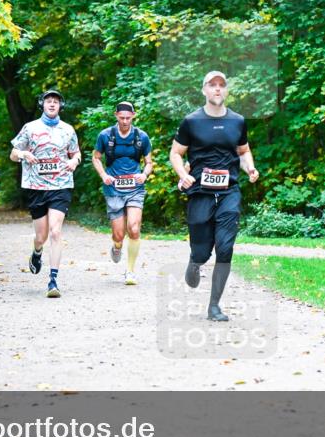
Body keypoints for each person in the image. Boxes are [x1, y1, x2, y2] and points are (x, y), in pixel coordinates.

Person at [169, 71, 259, 321]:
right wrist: (182, 174)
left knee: (226, 248)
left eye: (222, 85)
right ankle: (195, 261)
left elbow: (243, 151)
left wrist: (249, 166)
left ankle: (214, 306)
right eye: (212, 85)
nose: (217, 89)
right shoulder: (192, 121)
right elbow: (176, 153)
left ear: (226, 91)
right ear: (204, 90)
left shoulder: (238, 121)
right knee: (202, 249)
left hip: (229, 190)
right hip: (200, 191)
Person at [10, 89, 81, 298]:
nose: (52, 104)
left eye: (56, 102)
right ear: (43, 104)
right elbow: (13, 153)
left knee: (56, 232)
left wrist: (73, 161)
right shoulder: (30, 128)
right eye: (48, 101)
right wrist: (23, 153)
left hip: (61, 185)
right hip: (36, 187)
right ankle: (37, 251)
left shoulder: (68, 130)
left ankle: (53, 281)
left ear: (60, 106)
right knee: (41, 236)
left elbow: (76, 152)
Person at [91, 101, 154, 285]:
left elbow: (149, 162)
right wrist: (103, 175)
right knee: (118, 235)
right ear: (116, 115)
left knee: (134, 229)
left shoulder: (141, 137)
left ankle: (130, 271)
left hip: (135, 188)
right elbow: (96, 158)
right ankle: (117, 246)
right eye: (122, 117)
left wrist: (144, 174)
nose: (125, 121)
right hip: (114, 188)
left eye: (128, 118)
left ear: (133, 115)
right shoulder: (105, 136)